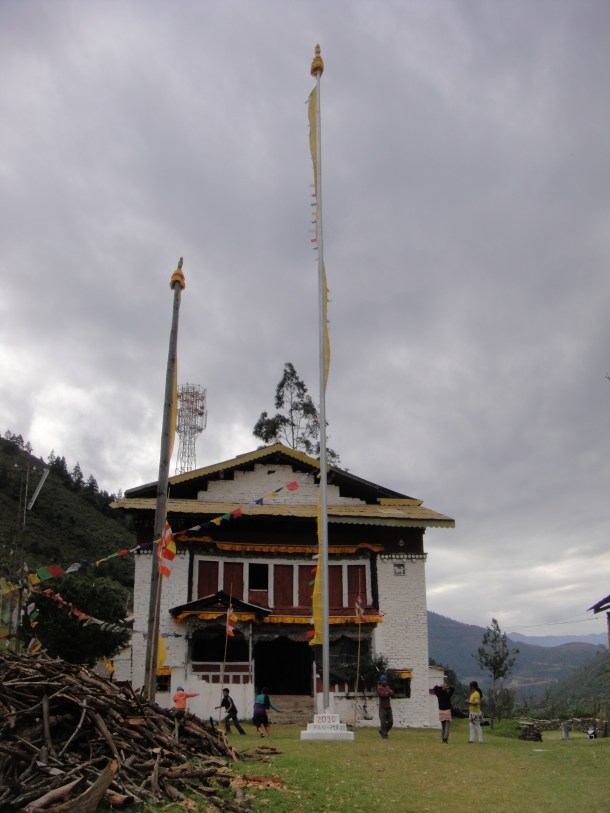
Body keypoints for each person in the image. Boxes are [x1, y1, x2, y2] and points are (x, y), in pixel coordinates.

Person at [376, 674, 394, 739]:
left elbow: (392, 693)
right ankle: (385, 736)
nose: (384, 681)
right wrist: (388, 693)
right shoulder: (379, 688)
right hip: (382, 708)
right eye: (383, 680)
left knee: (390, 722)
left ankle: (382, 731)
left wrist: (388, 692)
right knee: (383, 723)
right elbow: (383, 695)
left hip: (388, 707)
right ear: (380, 681)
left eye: (385, 680)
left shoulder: (387, 687)